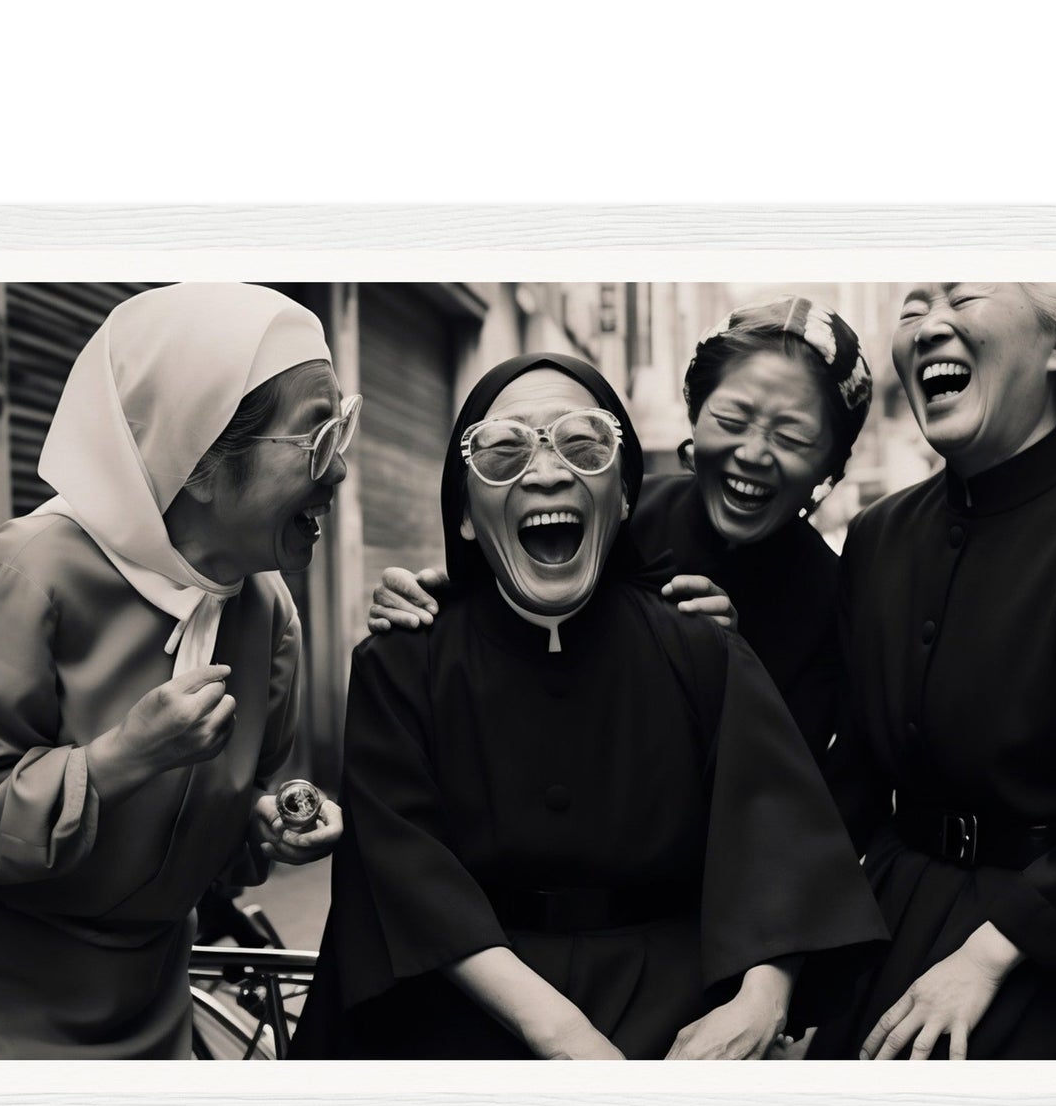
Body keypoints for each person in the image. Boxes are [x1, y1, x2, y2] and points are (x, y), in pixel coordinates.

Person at [291, 353, 885, 1060]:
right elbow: (403, 873)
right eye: (504, 451)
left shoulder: (705, 650)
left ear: (625, 495)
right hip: (455, 1009)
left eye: (582, 445)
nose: (545, 473)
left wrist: (760, 999)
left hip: (671, 1018)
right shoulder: (400, 663)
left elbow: (780, 844)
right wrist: (561, 1030)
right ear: (466, 517)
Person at [0, 282, 348, 1058]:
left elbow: (224, 822)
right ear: (198, 460)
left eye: (342, 433)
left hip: (156, 1016)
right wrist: (122, 760)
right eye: (316, 440)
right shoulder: (21, 577)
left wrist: (259, 818)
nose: (342, 472)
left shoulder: (268, 613)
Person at [812, 282, 1056, 1060]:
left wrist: (986, 955)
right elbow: (852, 782)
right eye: (911, 306)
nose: (928, 325)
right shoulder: (875, 537)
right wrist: (782, 971)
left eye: (962, 296)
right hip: (895, 909)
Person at [366, 296, 872, 760]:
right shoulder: (611, 513)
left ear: (832, 463)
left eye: (791, 436)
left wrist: (728, 669)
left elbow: (793, 784)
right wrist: (438, 597)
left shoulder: (834, 597)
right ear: (694, 416)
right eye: (732, 420)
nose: (753, 454)